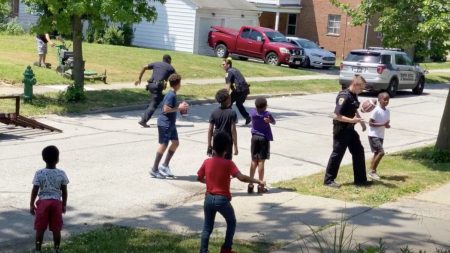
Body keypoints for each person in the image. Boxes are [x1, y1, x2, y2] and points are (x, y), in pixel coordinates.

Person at [197, 131, 265, 253]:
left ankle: (203, 251)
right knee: (231, 222)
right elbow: (242, 178)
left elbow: (199, 178)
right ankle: (226, 249)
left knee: (207, 227)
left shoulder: (207, 162)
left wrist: (209, 182)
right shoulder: (228, 163)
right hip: (222, 200)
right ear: (227, 149)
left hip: (208, 199)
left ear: (213, 146)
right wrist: (258, 181)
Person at [324, 75, 368, 188]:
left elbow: (354, 109)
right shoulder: (344, 96)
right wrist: (352, 120)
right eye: (361, 88)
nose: (362, 90)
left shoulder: (353, 96)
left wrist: (361, 122)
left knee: (359, 151)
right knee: (337, 154)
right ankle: (329, 180)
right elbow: (336, 115)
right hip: (341, 129)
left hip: (350, 129)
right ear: (356, 84)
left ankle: (361, 180)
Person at [30, 145, 69, 253]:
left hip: (43, 203)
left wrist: (31, 204)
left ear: (43, 159)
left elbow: (35, 190)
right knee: (56, 229)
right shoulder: (61, 173)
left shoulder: (39, 173)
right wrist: (64, 204)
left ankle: (38, 250)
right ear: (57, 159)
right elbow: (64, 191)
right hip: (56, 203)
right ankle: (56, 249)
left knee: (40, 229)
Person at [149, 73, 188, 179]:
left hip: (171, 124)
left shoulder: (173, 94)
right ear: (177, 84)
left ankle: (165, 166)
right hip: (165, 123)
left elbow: (171, 107)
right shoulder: (170, 95)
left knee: (175, 143)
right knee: (164, 145)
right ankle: (154, 169)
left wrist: (180, 107)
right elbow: (166, 109)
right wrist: (178, 108)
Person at [135, 54, 176, 128]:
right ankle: (143, 121)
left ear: (163, 59)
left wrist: (139, 79)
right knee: (155, 103)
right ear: (169, 60)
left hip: (150, 85)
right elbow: (175, 78)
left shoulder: (156, 63)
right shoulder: (170, 67)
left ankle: (166, 117)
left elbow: (144, 67)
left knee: (163, 99)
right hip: (157, 87)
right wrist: (173, 88)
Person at [248, 97, 275, 194]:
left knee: (253, 161)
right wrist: (269, 121)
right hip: (264, 138)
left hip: (254, 137)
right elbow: (274, 122)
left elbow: (254, 113)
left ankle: (250, 184)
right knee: (261, 162)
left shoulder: (252, 113)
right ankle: (260, 185)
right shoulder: (267, 114)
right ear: (264, 106)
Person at [207, 89, 238, 160]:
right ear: (227, 100)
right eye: (229, 97)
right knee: (227, 162)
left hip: (216, 139)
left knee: (216, 161)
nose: (230, 98)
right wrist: (235, 146)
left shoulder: (214, 112)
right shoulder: (232, 113)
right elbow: (233, 130)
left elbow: (210, 130)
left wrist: (209, 145)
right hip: (227, 140)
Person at [367, 92, 391, 180]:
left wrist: (386, 125)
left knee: (377, 153)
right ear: (379, 100)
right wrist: (382, 124)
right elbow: (370, 123)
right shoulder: (376, 110)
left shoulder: (387, 111)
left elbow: (385, 123)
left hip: (381, 135)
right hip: (373, 135)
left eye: (388, 99)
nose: (386, 101)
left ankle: (371, 171)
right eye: (384, 99)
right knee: (381, 152)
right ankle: (372, 171)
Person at [222, 57, 251, 125]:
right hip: (245, 89)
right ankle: (247, 117)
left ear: (228, 65)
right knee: (239, 104)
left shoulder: (228, 72)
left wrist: (225, 96)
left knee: (228, 104)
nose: (222, 66)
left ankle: (233, 120)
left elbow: (228, 85)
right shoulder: (234, 69)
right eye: (222, 64)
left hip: (239, 90)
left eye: (223, 64)